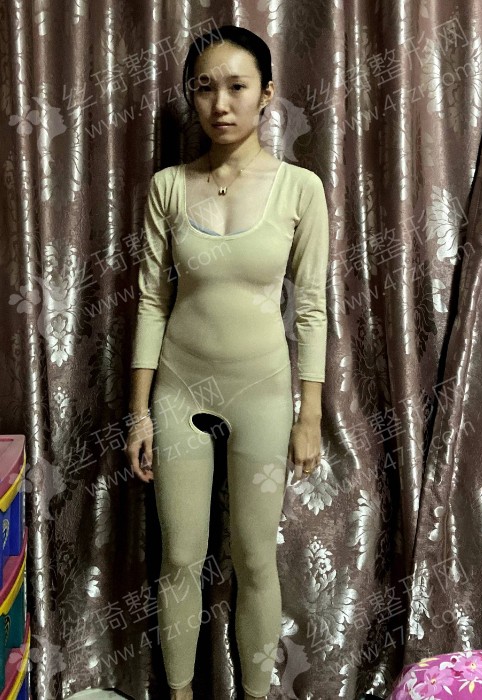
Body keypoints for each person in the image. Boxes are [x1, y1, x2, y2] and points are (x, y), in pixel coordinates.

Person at [125, 25, 329, 700]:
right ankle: (181, 694)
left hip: (264, 393)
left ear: (266, 94)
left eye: (237, 86)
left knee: (255, 559)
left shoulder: (300, 189)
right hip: (180, 390)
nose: (220, 103)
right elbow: (151, 302)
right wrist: (138, 413)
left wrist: (309, 414)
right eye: (205, 87)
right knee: (180, 557)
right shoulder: (168, 186)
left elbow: (312, 308)